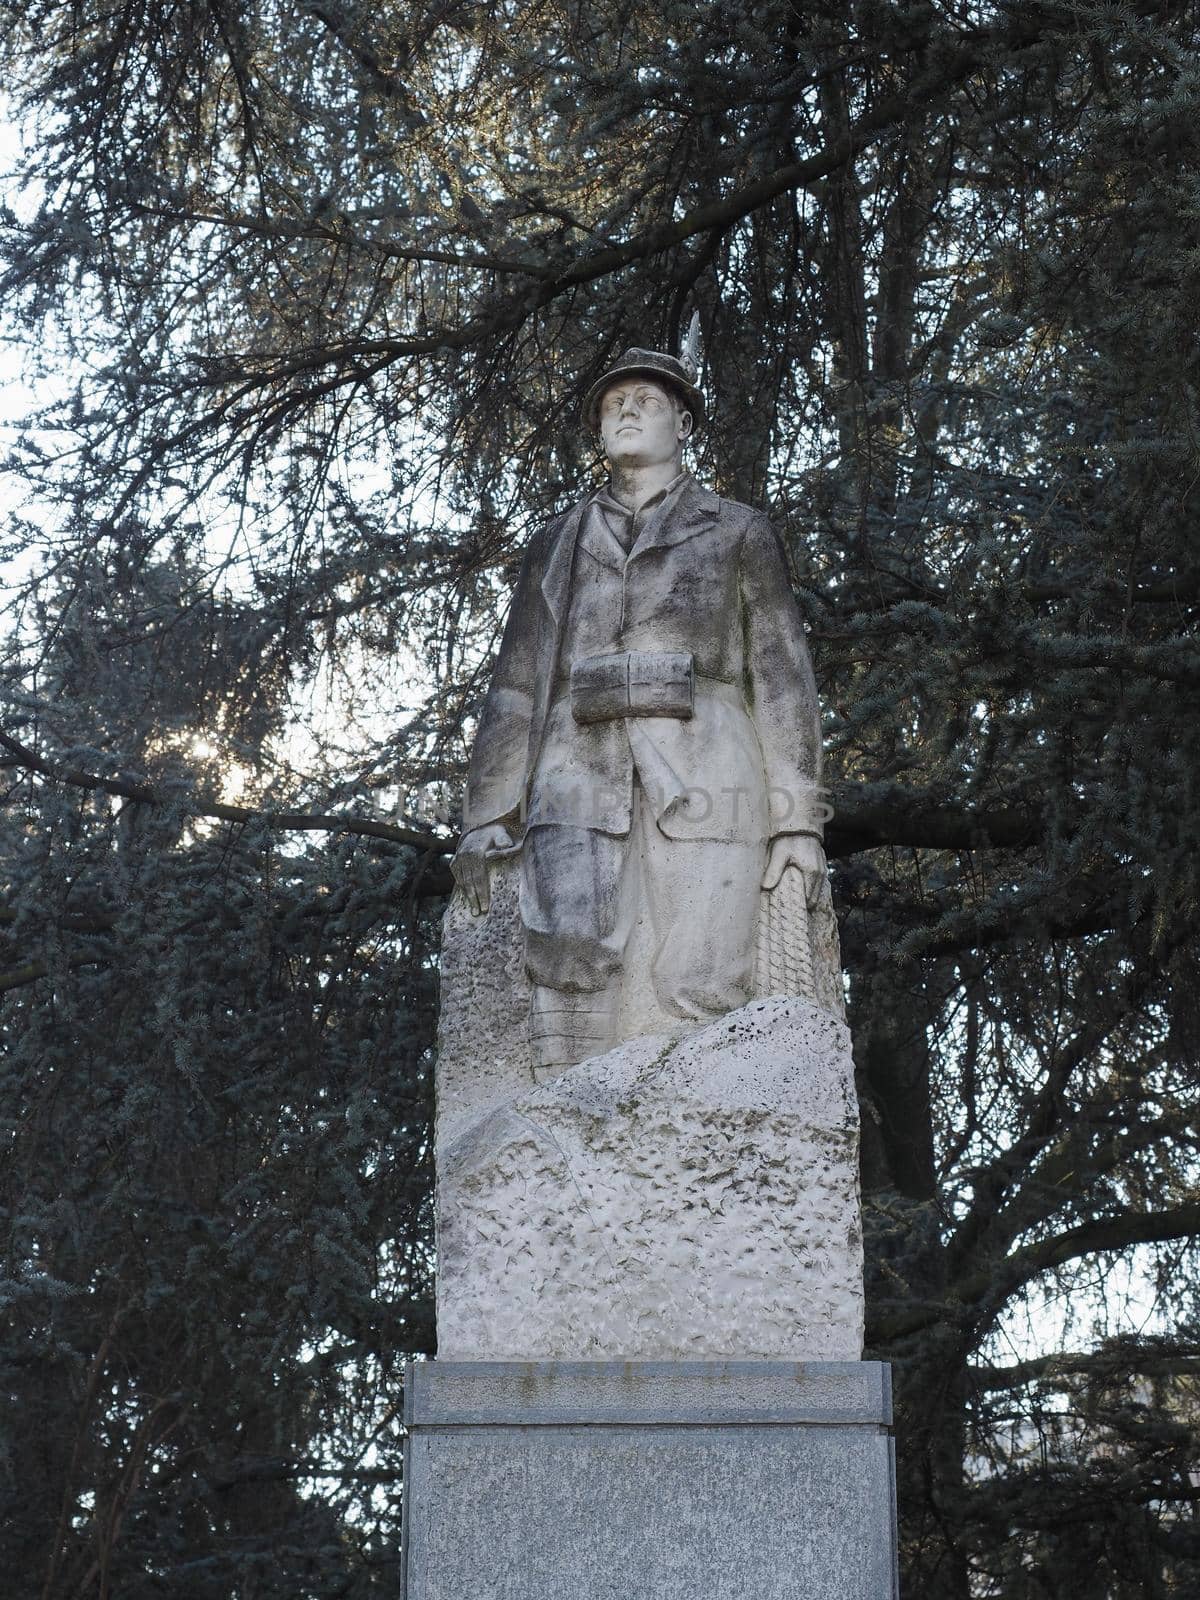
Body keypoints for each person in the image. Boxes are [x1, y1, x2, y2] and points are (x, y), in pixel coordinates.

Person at [451, 346, 828, 1070]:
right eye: (611, 402)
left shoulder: (737, 530)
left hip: (710, 766)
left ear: (683, 423)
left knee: (705, 974)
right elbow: (519, 684)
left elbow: (783, 679)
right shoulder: (555, 543)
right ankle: (569, 1146)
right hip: (575, 767)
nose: (625, 409)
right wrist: (487, 816)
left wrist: (797, 822)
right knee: (564, 960)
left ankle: (701, 1157)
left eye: (646, 401)